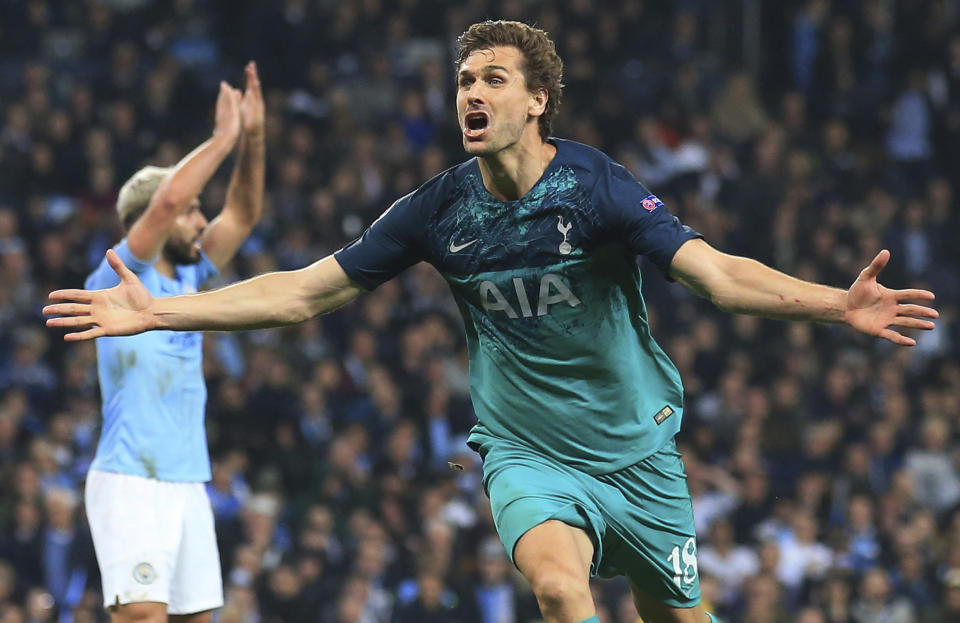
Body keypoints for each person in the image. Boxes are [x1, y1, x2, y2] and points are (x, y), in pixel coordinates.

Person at [45, 22, 937, 623]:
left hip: (640, 454)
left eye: (492, 79)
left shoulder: (596, 188)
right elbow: (302, 291)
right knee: (558, 586)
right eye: (464, 80)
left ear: (536, 100)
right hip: (527, 455)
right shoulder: (436, 210)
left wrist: (834, 301)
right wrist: (157, 306)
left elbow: (715, 275)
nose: (470, 92)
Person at [69, 63, 265, 623]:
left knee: (197, 619)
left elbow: (245, 213)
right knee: (143, 616)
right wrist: (222, 137)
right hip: (131, 478)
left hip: (187, 481)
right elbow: (163, 201)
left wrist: (252, 138)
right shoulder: (114, 276)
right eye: (193, 210)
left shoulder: (187, 280)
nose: (202, 220)